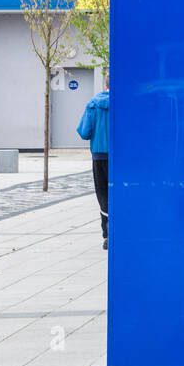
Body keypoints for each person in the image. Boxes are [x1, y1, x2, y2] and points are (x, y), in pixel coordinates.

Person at [77, 80, 110, 249]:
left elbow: (84, 132)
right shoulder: (123, 103)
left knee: (102, 193)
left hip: (99, 156)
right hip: (119, 157)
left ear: (105, 85)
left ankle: (107, 232)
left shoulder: (93, 104)